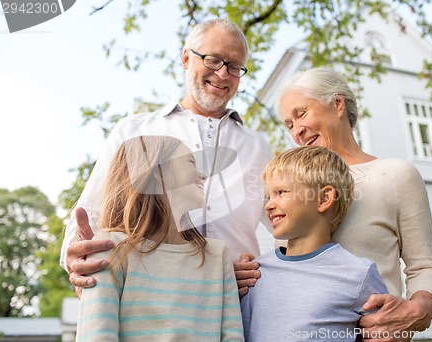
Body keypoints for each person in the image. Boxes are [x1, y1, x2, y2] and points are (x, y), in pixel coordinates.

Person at [61, 18, 273, 295]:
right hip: (148, 303)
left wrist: (261, 267)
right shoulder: (135, 130)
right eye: (213, 60)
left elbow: (290, 224)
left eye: (234, 66)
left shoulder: (258, 146)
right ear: (186, 59)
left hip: (237, 304)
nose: (223, 74)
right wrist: (74, 256)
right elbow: (91, 213)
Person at [235, 67, 432, 340]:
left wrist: (417, 310)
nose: (297, 130)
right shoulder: (290, 188)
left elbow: (425, 266)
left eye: (301, 114)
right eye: (289, 124)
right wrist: (249, 275)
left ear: (337, 103)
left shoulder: (394, 175)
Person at [75, 135, 244, 341]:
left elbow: (232, 335)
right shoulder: (110, 248)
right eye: (191, 162)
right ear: (158, 173)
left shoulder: (217, 255)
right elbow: (97, 336)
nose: (202, 175)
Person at [240, 146, 388, 341]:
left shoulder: (358, 274)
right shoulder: (255, 273)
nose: (268, 205)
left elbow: (386, 333)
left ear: (324, 198)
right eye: (268, 196)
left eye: (281, 192)